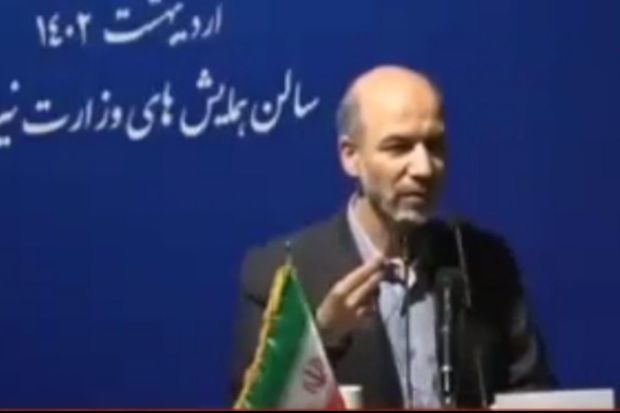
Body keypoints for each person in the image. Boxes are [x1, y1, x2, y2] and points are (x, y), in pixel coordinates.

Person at [230, 65, 555, 408]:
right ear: (351, 157)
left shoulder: (485, 261)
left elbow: (533, 391)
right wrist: (321, 338)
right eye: (399, 147)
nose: (424, 168)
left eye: (434, 145)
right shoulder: (285, 273)